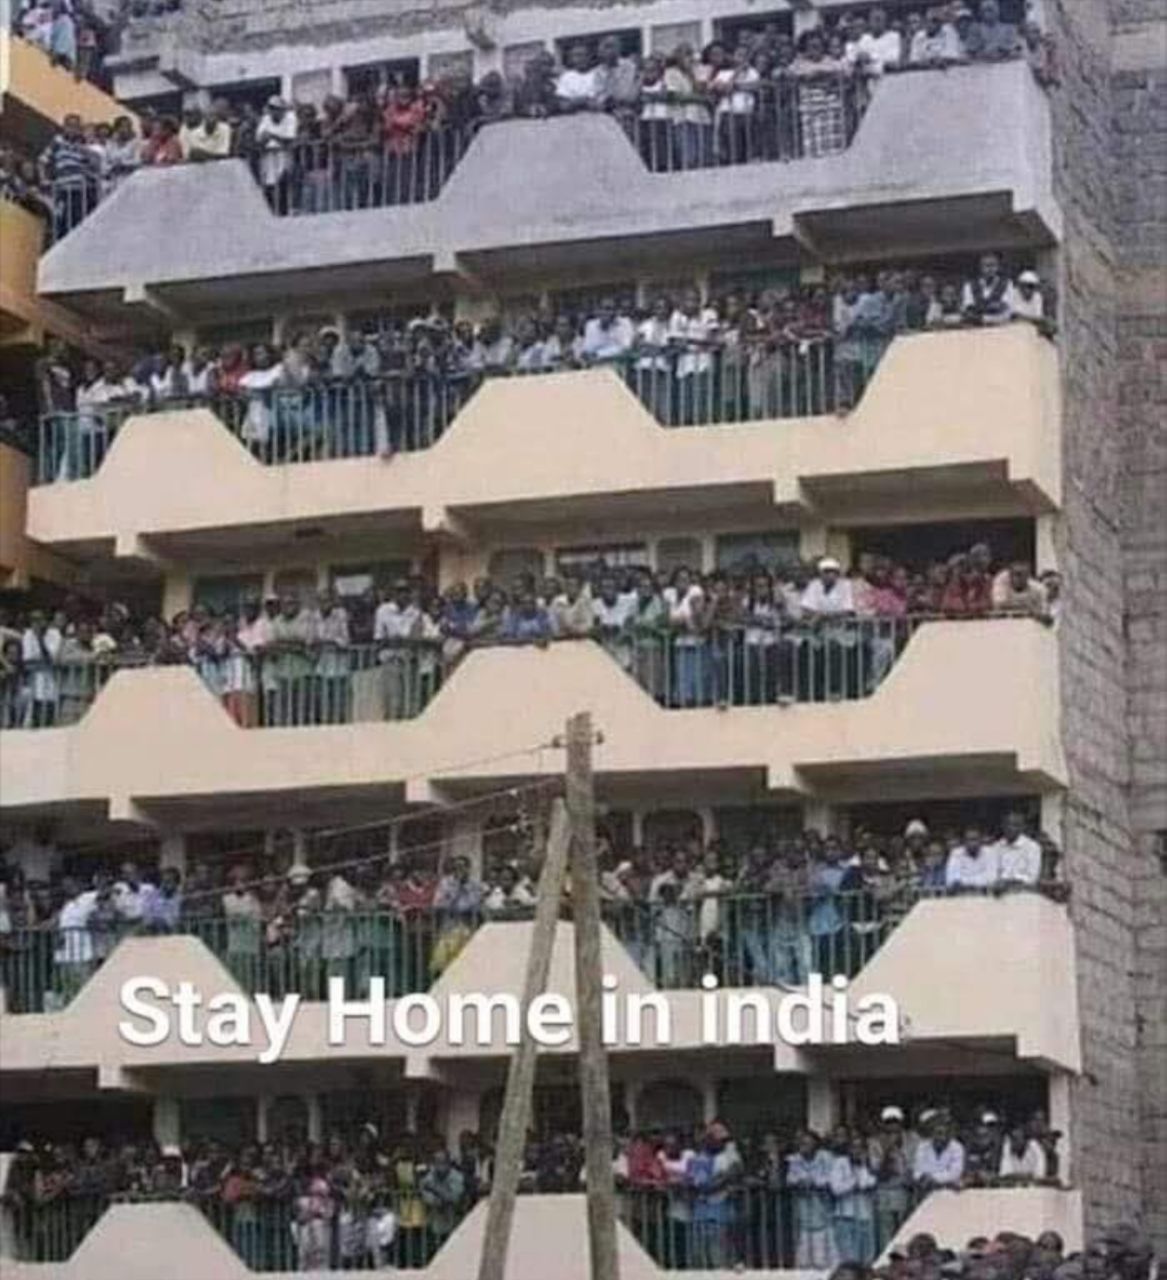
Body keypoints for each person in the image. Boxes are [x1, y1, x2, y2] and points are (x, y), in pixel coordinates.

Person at [945, 825, 1000, 891]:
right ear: (964, 841)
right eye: (969, 840)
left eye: (975, 839)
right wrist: (981, 880)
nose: (972, 843)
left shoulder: (990, 852)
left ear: (981, 840)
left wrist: (965, 882)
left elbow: (992, 879)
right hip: (962, 896)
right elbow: (951, 880)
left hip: (986, 894)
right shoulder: (956, 853)